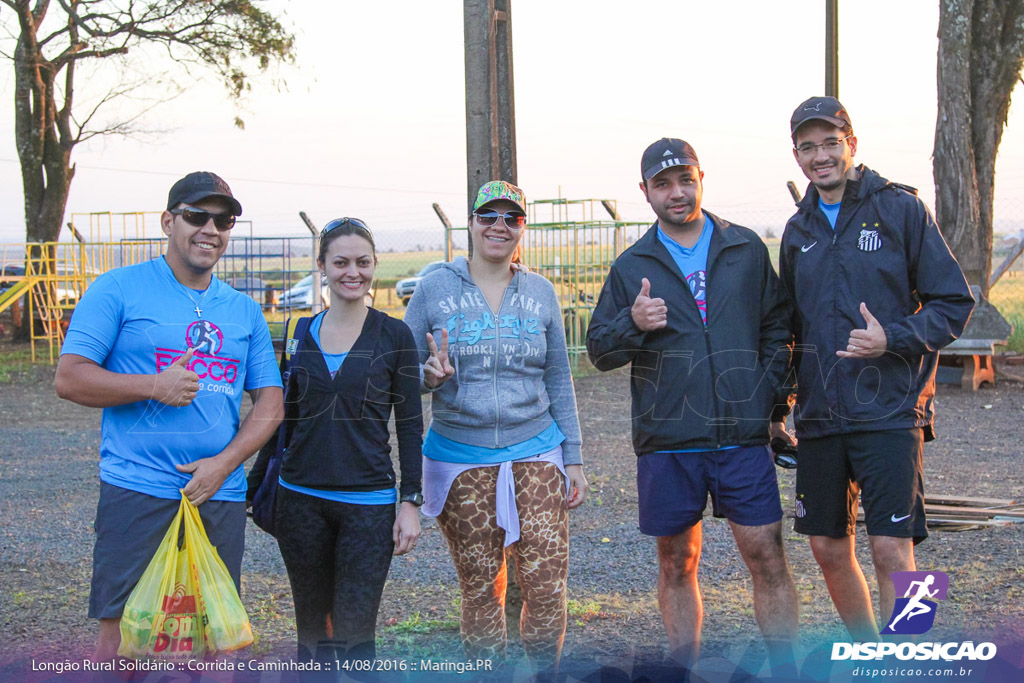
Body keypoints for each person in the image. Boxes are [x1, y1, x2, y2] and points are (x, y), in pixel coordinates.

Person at [586, 139, 798, 672]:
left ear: (702, 177)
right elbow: (599, 350)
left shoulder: (744, 249)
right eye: (662, 184)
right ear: (645, 193)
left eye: (685, 179)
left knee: (767, 556)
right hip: (670, 440)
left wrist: (766, 396)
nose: (676, 193)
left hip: (741, 438)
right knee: (678, 561)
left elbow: (778, 328)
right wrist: (632, 324)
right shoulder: (633, 264)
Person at [54, 172, 284, 661]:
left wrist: (225, 463)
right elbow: (70, 378)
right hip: (138, 490)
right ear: (167, 221)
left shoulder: (243, 311)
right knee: (123, 638)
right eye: (196, 216)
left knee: (213, 637)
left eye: (223, 220)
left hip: (216, 496)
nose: (210, 229)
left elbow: (271, 404)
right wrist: (153, 385)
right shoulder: (118, 288)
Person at [781, 96, 974, 640]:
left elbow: (952, 303)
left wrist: (894, 336)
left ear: (852, 144)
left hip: (890, 410)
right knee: (826, 547)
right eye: (808, 147)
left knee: (894, 547)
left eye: (830, 143)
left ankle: (909, 654)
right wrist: (783, 407)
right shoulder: (799, 231)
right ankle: (870, 652)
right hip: (821, 415)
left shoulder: (901, 210)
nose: (820, 156)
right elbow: (791, 328)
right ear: (796, 155)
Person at [403, 180, 588, 673]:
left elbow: (558, 379)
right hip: (460, 454)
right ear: (471, 222)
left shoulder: (541, 292)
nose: (499, 226)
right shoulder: (434, 289)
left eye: (511, 218)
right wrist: (425, 375)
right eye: (489, 216)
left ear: (522, 228)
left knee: (547, 584)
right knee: (482, 587)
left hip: (537, 449)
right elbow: (400, 374)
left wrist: (574, 459)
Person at [270, 217, 423, 666]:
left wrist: (410, 501)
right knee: (312, 632)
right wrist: (260, 489)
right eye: (340, 262)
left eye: (362, 262)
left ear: (375, 265)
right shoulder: (299, 334)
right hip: (300, 501)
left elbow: (410, 426)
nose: (351, 272)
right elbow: (284, 420)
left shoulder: (395, 336)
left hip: (368, 507)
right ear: (322, 266)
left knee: (356, 635)